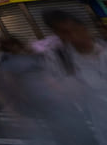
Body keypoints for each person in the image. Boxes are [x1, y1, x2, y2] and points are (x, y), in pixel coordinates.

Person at [40, 9, 107, 142]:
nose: (73, 36)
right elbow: (52, 84)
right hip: (101, 123)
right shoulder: (59, 58)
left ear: (84, 27)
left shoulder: (104, 48)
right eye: (64, 33)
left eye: (74, 29)